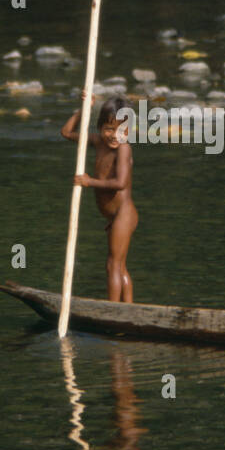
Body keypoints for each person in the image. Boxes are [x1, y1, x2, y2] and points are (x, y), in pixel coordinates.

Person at [61, 91, 137, 302]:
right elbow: (66, 132)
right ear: (100, 128)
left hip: (123, 213)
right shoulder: (97, 142)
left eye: (122, 130)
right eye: (108, 129)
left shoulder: (124, 149)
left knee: (113, 264)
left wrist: (89, 181)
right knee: (118, 265)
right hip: (114, 218)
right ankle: (128, 309)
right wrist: (83, 109)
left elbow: (120, 183)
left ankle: (113, 310)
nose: (115, 135)